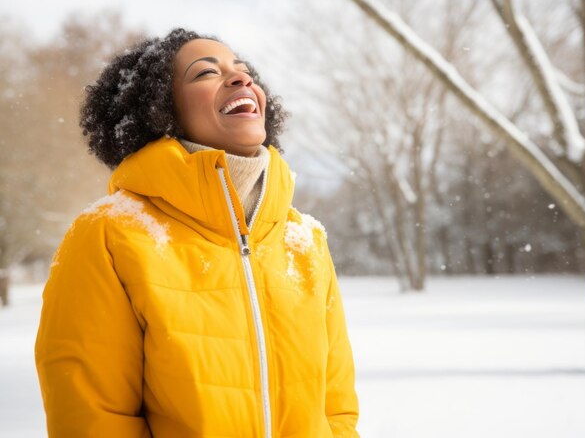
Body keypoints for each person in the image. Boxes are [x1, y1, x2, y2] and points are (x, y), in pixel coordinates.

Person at [34, 28, 360, 437]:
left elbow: (337, 408)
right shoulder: (109, 235)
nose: (242, 79)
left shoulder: (304, 239)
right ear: (160, 109)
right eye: (205, 73)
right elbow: (92, 417)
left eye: (243, 71)